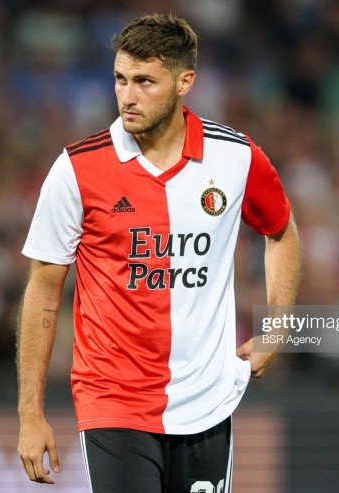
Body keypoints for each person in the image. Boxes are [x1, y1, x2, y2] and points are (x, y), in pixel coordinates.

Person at [17, 13, 300, 493]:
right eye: (120, 80)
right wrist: (30, 413)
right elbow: (43, 288)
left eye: (144, 81)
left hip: (207, 400)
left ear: (185, 81)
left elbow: (281, 231)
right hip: (114, 400)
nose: (127, 95)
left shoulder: (235, 158)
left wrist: (278, 324)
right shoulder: (77, 169)